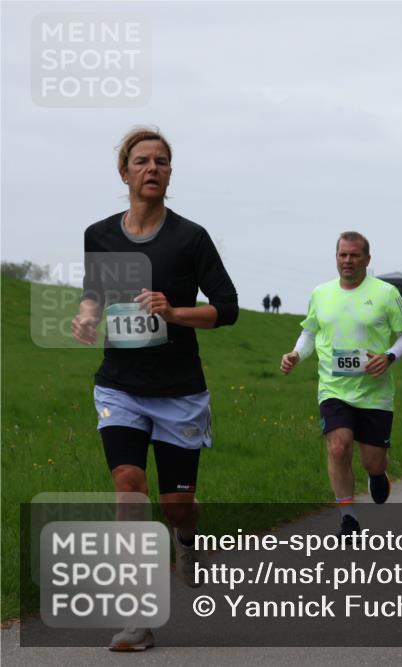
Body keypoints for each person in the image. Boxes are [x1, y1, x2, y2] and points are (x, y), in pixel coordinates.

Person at [71, 127, 239, 652]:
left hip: (179, 392)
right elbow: (95, 295)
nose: (152, 169)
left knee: (175, 505)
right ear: (124, 173)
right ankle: (137, 618)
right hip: (119, 386)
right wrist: (85, 316)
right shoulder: (99, 235)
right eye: (142, 161)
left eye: (161, 162)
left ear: (170, 173)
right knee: (128, 487)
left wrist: (174, 312)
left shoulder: (190, 238)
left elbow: (227, 308)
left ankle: (187, 538)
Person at [280, 232, 402, 537]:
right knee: (338, 446)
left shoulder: (385, 293)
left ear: (367, 259)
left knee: (373, 461)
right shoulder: (321, 293)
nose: (348, 261)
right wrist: (295, 355)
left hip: (375, 392)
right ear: (336, 257)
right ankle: (348, 516)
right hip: (334, 388)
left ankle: (378, 474)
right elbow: (310, 333)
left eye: (354, 255)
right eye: (342, 255)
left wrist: (389, 356)